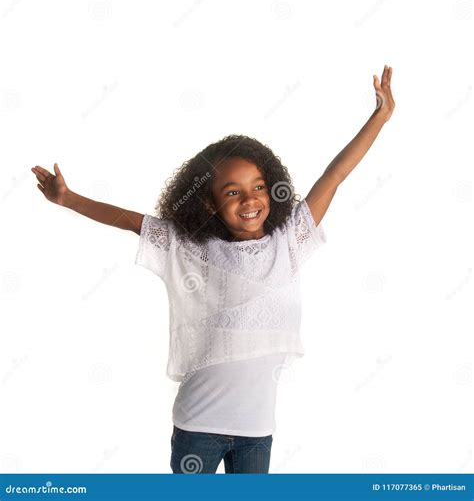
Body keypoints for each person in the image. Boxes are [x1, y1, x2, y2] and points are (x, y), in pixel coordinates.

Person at [31, 66, 395, 474]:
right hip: (198, 427)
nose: (251, 199)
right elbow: (130, 220)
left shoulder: (289, 240)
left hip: (257, 431)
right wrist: (68, 198)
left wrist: (379, 117)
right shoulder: (190, 248)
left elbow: (336, 175)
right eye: (233, 192)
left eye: (258, 186)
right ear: (208, 204)